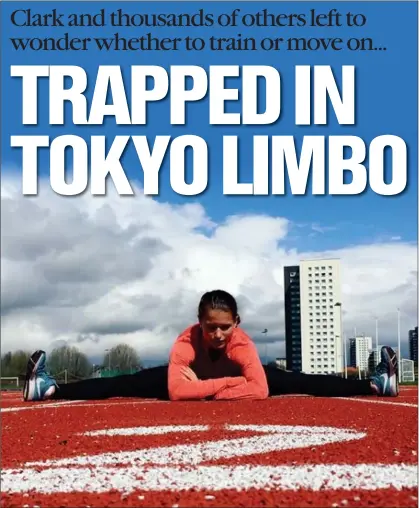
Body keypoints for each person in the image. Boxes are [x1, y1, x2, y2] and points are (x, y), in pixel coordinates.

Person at [22, 289, 399, 402]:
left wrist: (213, 388)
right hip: (198, 376)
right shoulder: (186, 342)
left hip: (219, 377)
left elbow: (261, 389)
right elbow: (175, 391)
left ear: (236, 324)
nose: (217, 335)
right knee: (122, 383)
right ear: (199, 324)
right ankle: (48, 388)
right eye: (210, 327)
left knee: (303, 380)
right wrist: (232, 386)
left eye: (224, 327)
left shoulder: (243, 346)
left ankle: (374, 384)